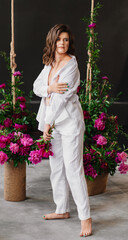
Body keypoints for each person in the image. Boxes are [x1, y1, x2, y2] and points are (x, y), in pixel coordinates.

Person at [33, 24, 92, 237]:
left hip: (69, 125)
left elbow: (60, 100)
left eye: (66, 40)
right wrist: (48, 87)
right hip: (54, 124)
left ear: (69, 43)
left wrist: (47, 125)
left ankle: (85, 218)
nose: (62, 43)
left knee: (73, 169)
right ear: (53, 41)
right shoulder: (49, 64)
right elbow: (36, 87)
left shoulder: (71, 67)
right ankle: (62, 209)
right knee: (57, 168)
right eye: (59, 39)